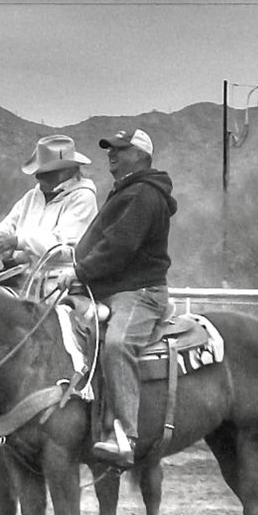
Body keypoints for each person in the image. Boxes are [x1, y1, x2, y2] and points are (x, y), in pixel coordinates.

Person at [57, 128, 177, 467]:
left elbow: (119, 247)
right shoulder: (127, 192)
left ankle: (126, 434)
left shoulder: (143, 194)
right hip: (113, 289)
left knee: (117, 344)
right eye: (109, 148)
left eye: (120, 149)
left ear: (140, 154)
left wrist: (80, 272)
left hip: (139, 293)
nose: (112, 153)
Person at [0, 134, 98, 297]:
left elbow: (62, 246)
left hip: (60, 283)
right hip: (21, 278)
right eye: (39, 173)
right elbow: (6, 227)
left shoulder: (83, 198)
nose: (39, 177)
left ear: (68, 171)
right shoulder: (31, 197)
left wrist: (16, 242)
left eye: (47, 173)